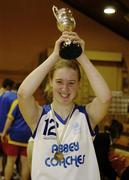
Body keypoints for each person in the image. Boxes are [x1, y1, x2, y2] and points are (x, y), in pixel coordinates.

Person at [18, 31, 112, 180]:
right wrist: (55, 55)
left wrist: (82, 56)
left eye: (71, 83)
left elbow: (105, 98)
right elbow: (23, 94)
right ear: (50, 81)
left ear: (78, 85)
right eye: (59, 81)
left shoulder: (86, 116)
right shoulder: (39, 117)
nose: (65, 89)